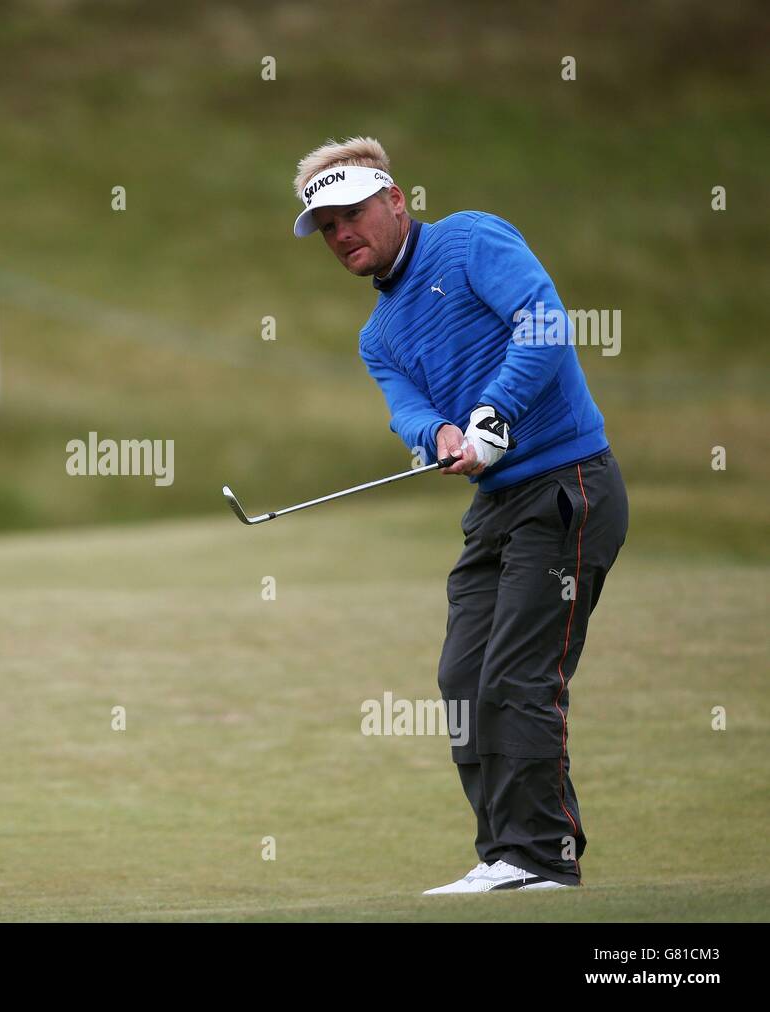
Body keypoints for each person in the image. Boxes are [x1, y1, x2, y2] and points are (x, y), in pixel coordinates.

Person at [290, 137, 628, 892]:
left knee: (516, 676)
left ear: (396, 200)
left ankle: (543, 858)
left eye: (352, 213)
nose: (342, 233)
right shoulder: (377, 335)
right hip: (497, 508)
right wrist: (438, 434)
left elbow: (541, 321)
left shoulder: (471, 239)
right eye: (327, 225)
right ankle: (504, 854)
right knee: (463, 680)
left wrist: (494, 412)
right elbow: (406, 408)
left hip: (568, 484)